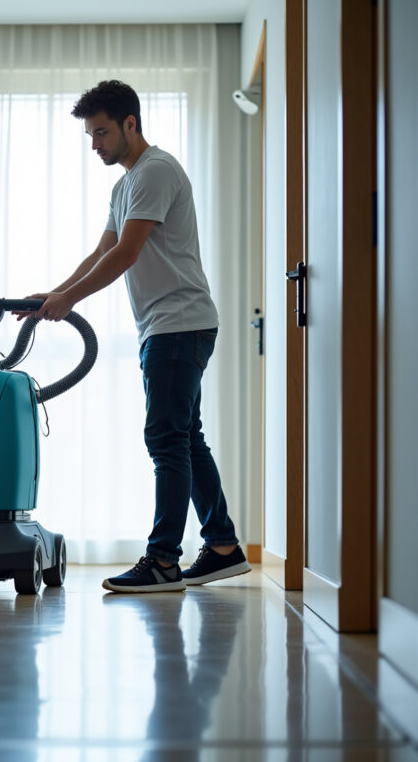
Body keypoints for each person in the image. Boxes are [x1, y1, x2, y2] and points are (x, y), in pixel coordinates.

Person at [19, 79, 250, 592]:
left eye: (101, 132)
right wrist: (49, 297)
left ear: (130, 123)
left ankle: (164, 560)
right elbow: (103, 251)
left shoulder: (156, 171)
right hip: (168, 325)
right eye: (89, 135)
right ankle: (223, 547)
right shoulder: (124, 186)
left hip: (178, 323)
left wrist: (69, 301)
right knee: (186, 437)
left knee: (165, 438)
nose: (95, 143)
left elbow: (127, 255)